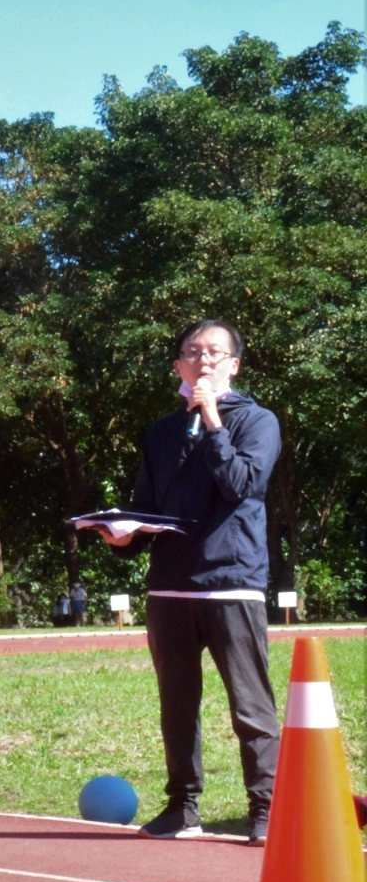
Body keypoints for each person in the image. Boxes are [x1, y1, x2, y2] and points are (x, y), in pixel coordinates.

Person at [102, 319, 279, 844]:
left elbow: (240, 483)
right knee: (177, 704)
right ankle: (183, 808)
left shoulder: (257, 421)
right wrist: (123, 533)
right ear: (178, 365)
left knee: (250, 706)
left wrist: (212, 418)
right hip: (170, 587)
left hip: (232, 582)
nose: (203, 360)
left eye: (214, 352)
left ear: (234, 365)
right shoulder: (161, 431)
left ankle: (266, 809)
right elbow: (148, 506)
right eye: (192, 352)